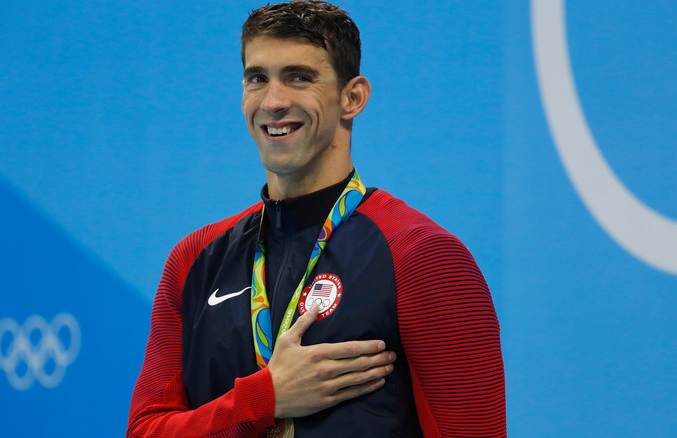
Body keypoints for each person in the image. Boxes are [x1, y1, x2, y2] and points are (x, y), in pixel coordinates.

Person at [126, 1, 506, 437]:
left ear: (353, 97)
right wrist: (263, 399)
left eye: (299, 78)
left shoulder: (421, 256)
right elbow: (145, 431)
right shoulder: (194, 259)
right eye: (257, 79)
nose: (273, 101)